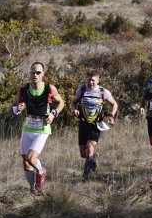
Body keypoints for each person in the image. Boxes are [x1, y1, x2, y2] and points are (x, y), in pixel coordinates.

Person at [11, 62, 65, 195]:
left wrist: (53, 114)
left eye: (38, 73)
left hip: (42, 129)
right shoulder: (23, 89)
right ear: (29, 74)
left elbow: (61, 103)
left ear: (43, 74)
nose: (35, 75)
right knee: (26, 163)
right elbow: (14, 106)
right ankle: (33, 189)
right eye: (32, 73)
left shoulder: (49, 88)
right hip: (27, 128)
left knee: (31, 158)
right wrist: (16, 109)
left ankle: (41, 172)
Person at [71, 69, 118, 181]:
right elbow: (74, 102)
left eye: (93, 80)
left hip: (96, 124)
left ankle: (85, 178)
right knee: (84, 153)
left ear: (98, 80)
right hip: (83, 123)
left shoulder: (103, 92)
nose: (90, 83)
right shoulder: (81, 90)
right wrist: (74, 110)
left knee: (90, 147)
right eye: (88, 80)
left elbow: (114, 104)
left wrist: (111, 116)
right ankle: (93, 158)